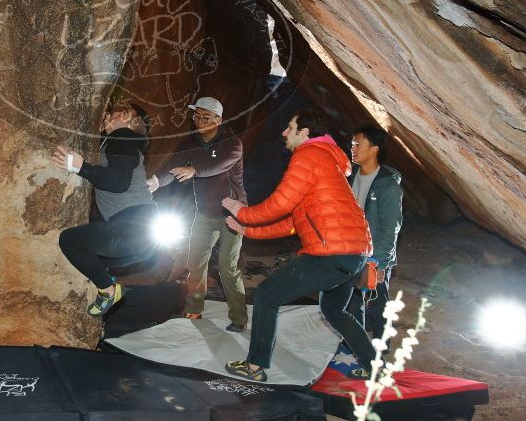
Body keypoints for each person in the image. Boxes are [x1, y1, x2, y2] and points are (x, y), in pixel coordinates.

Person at [222, 109, 376, 381]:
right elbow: (292, 223)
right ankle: (373, 365)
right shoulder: (327, 161)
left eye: (289, 127)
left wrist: (243, 212)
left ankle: (255, 367)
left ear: (304, 133)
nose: (284, 133)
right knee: (334, 310)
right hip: (355, 253)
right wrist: (248, 230)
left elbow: (280, 203)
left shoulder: (309, 154)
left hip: (331, 253)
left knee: (267, 294)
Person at [147, 97, 248, 332]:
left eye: (205, 117)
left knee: (227, 267)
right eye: (196, 117)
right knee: (195, 265)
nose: (199, 122)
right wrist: (156, 181)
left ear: (219, 120)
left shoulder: (232, 144)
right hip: (203, 213)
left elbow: (218, 166)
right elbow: (173, 166)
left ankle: (239, 318)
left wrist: (194, 169)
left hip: (232, 214)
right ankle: (194, 308)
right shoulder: (190, 143)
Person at [52, 103, 156, 317]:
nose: (113, 113)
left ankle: (109, 290)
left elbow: (118, 182)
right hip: (143, 239)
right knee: (90, 258)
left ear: (129, 123)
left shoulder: (123, 138)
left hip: (133, 228)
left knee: (70, 240)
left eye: (122, 112)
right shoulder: (117, 142)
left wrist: (80, 167)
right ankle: (106, 285)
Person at [347, 124, 403, 340]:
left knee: (378, 303)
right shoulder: (350, 178)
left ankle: (380, 349)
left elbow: (391, 228)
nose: (352, 148)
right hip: (352, 251)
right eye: (352, 144)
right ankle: (357, 344)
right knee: (353, 301)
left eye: (357, 144)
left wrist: (379, 262)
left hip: (375, 254)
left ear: (374, 149)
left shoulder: (387, 187)